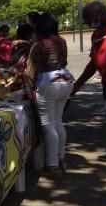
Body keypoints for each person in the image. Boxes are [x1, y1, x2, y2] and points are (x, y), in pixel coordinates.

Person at [72, 1, 106, 161]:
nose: (87, 22)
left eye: (87, 17)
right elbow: (93, 63)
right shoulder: (97, 34)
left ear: (98, 12)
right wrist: (77, 85)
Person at [25, 13, 74, 175]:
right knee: (58, 122)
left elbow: (31, 72)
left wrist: (26, 88)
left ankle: (52, 165)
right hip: (65, 81)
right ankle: (61, 160)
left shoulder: (38, 46)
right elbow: (64, 62)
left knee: (48, 126)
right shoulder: (61, 41)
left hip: (48, 86)